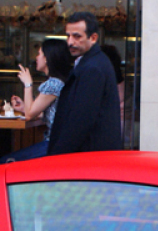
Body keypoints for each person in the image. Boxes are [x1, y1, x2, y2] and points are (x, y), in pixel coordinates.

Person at [46, 12, 122, 156]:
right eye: (68, 36)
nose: (70, 42)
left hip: (87, 158)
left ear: (93, 38)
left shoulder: (93, 68)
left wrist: (57, 156)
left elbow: (80, 121)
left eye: (77, 36)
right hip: (88, 157)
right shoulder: (92, 63)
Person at [0, 38, 74, 163]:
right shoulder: (59, 82)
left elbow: (29, 115)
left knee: (6, 161)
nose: (36, 57)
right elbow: (40, 113)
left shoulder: (53, 84)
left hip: (53, 145)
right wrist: (24, 107)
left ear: (47, 58)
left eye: (39, 53)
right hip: (60, 145)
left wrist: (28, 84)